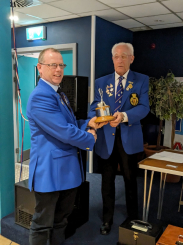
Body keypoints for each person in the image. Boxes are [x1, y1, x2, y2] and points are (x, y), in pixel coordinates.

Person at [27, 48, 103, 245]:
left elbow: (68, 125)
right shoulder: (40, 96)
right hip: (49, 173)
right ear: (40, 68)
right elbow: (65, 132)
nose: (58, 69)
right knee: (42, 225)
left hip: (67, 172)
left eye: (61, 65)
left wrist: (88, 124)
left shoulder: (59, 93)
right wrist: (90, 137)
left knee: (61, 222)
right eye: (53, 65)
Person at [88, 42, 149, 235]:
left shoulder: (141, 80)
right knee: (107, 182)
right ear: (112, 59)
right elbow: (94, 106)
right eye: (116, 56)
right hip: (106, 139)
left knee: (131, 181)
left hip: (129, 139)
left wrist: (123, 116)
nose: (120, 59)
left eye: (124, 56)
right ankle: (107, 219)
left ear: (131, 58)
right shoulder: (101, 82)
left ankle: (132, 218)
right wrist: (96, 118)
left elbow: (143, 107)